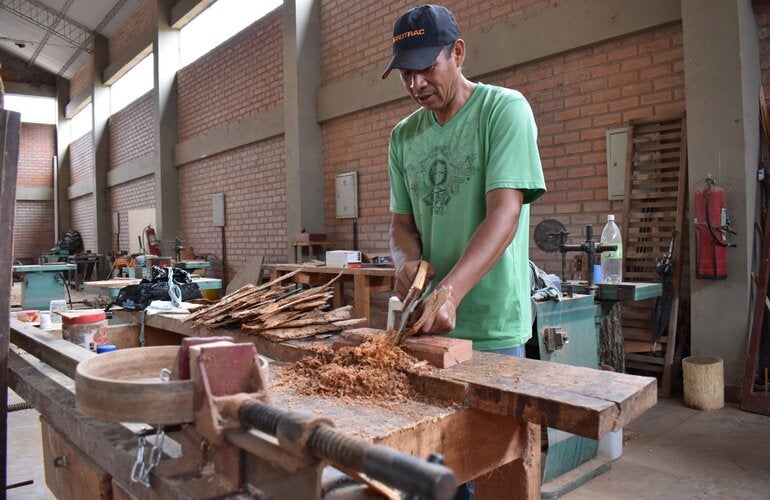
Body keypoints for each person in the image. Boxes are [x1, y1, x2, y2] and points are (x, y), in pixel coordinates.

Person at [384, 5, 547, 359]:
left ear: (457, 53)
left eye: (427, 68)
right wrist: (406, 263)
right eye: (406, 73)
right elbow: (401, 225)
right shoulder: (403, 136)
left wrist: (451, 294)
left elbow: (504, 213)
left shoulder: (503, 110)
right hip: (425, 325)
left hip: (493, 327)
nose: (416, 84)